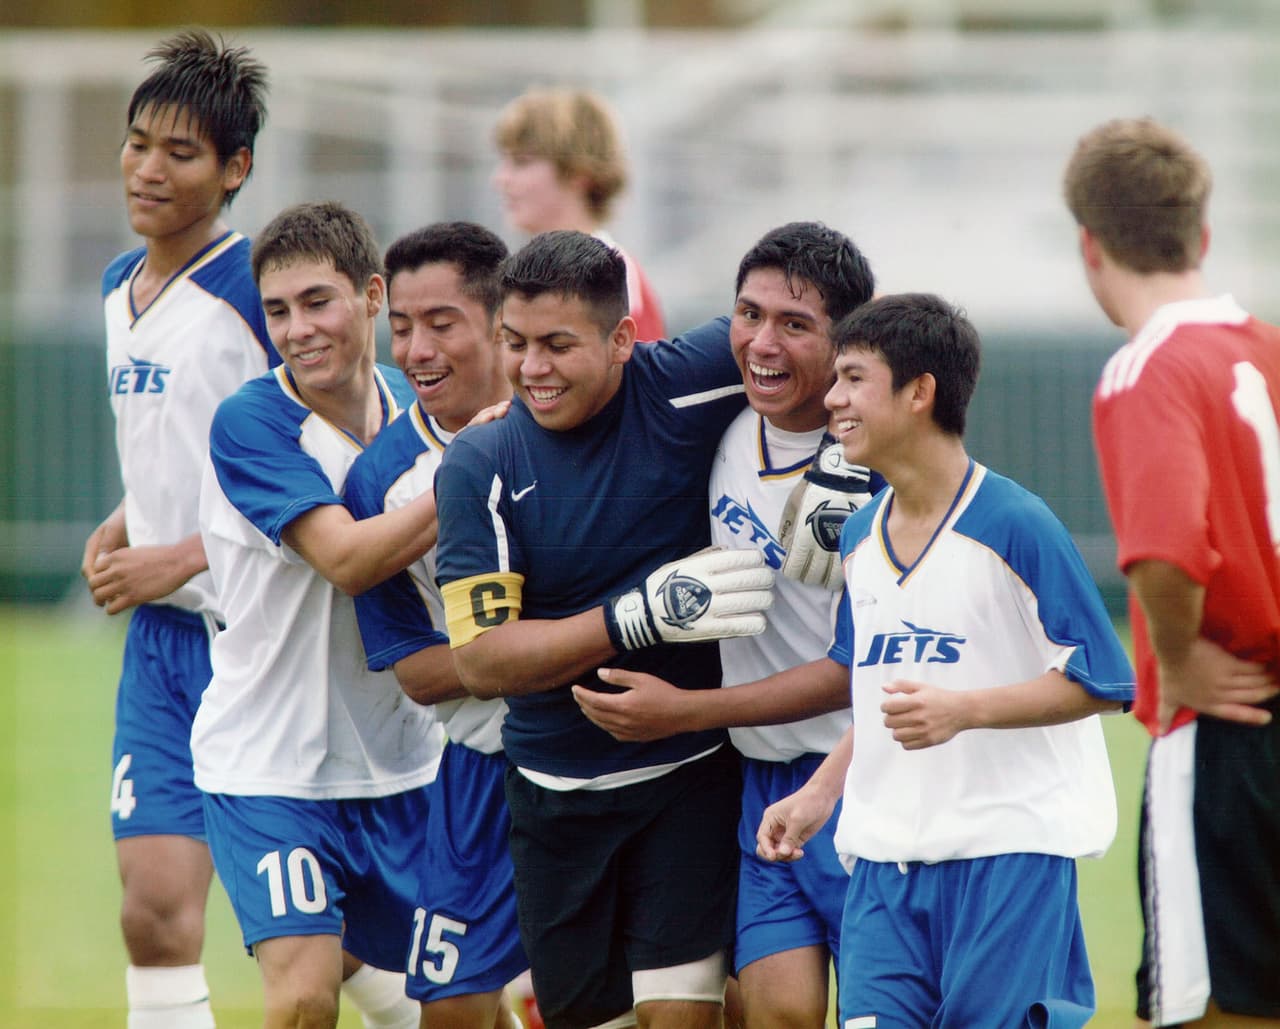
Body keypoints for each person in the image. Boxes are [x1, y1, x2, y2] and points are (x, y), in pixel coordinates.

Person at [746, 293, 1134, 1026]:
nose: (833, 399)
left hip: (1008, 860)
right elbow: (875, 697)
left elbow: (1104, 682)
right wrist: (821, 794)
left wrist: (965, 710)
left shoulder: (1015, 524)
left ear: (920, 390)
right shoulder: (858, 536)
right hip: (882, 875)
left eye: (854, 378)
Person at [433, 229, 776, 1029]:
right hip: (554, 801)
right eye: (514, 343)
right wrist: (637, 615)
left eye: (558, 344)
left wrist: (837, 467)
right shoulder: (478, 463)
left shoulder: (689, 382)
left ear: (624, 338)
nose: (531, 368)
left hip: (687, 779)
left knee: (680, 1017)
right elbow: (482, 661)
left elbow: (826, 333)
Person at [573, 221, 879, 1029]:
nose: (762, 343)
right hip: (760, 781)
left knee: (885, 1014)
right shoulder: (724, 425)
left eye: (795, 324)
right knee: (776, 1012)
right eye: (748, 314)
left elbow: (859, 668)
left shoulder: (882, 469)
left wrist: (684, 711)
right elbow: (602, 382)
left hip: (860, 774)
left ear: (847, 339)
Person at [194, 200, 442, 1029]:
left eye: (317, 301)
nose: (296, 328)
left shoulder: (419, 407)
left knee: (456, 1005)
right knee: (301, 1000)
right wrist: (465, 471)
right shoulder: (253, 421)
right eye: (276, 310)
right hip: (271, 766)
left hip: (407, 763)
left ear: (373, 296)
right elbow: (347, 559)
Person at [1064, 117, 1280, 1028]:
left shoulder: (1148, 369)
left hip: (1226, 726)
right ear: (1200, 235)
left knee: (1213, 1006)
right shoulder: (1265, 346)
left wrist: (1180, 656)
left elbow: (1164, 547)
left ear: (1090, 244)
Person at [78, 29, 271, 1028]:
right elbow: (179, 448)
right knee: (154, 915)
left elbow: (328, 480)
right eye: (138, 142)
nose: (148, 168)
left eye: (181, 152)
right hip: (162, 652)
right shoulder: (120, 287)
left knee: (341, 943)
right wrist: (128, 522)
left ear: (234, 169)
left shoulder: (263, 300)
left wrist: (182, 556)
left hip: (263, 648)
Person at [343, 221, 527, 1029]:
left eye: (441, 322)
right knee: (449, 1009)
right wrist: (551, 649)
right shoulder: (378, 477)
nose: (416, 349)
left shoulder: (579, 421)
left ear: (498, 322)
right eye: (403, 326)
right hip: (479, 769)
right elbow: (417, 672)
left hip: (612, 757)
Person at [492, 86, 665, 342]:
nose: (501, 179)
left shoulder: (614, 276)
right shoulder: (521, 273)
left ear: (578, 172)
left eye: (522, 162)